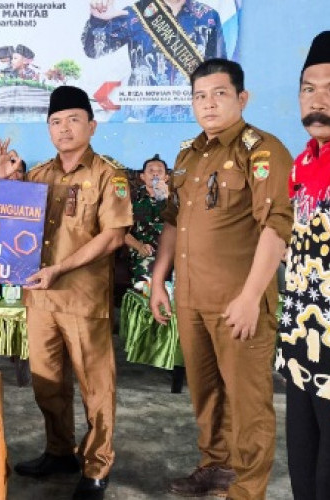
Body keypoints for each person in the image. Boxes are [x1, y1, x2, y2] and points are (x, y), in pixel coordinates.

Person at [149, 59, 293, 499]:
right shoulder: (187, 155)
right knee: (206, 396)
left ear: (241, 98)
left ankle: (248, 491)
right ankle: (215, 467)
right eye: (199, 96)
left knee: (248, 406)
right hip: (192, 300)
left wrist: (251, 296)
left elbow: (277, 225)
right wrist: (159, 280)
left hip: (239, 303)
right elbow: (173, 222)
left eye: (219, 94)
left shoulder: (262, 151)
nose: (208, 104)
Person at [0, 86, 133, 500]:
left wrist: (59, 269)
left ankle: (96, 467)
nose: (64, 128)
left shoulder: (110, 175)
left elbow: (113, 237)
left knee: (96, 386)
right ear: (49, 129)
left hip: (83, 300)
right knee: (47, 383)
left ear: (91, 124)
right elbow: (9, 225)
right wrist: (4, 182)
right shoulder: (37, 176)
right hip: (42, 301)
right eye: (56, 122)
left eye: (73, 119)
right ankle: (59, 450)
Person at [277, 31, 330, 500]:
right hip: (301, 343)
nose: (319, 100)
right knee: (303, 463)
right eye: (309, 88)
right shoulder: (302, 164)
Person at [82, 0, 226, 121]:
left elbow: (219, 74)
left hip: (192, 119)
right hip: (143, 119)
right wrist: (98, 21)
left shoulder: (208, 16)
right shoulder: (135, 14)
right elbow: (94, 50)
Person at [124, 153, 169, 285]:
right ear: (142, 177)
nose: (155, 174)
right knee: (147, 280)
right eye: (151, 171)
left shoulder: (176, 199)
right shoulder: (132, 198)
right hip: (145, 250)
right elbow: (120, 231)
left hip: (172, 250)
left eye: (159, 171)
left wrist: (168, 198)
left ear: (166, 177)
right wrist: (139, 246)